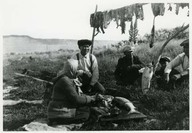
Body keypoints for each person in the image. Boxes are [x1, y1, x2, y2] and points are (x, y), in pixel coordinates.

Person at [47, 59, 99, 125]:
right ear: (72, 69)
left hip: (61, 107)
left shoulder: (69, 78)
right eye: (77, 68)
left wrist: (89, 98)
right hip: (57, 111)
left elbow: (77, 95)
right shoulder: (64, 81)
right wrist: (91, 98)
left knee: (87, 110)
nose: (78, 71)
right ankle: (58, 121)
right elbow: (76, 99)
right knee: (85, 114)